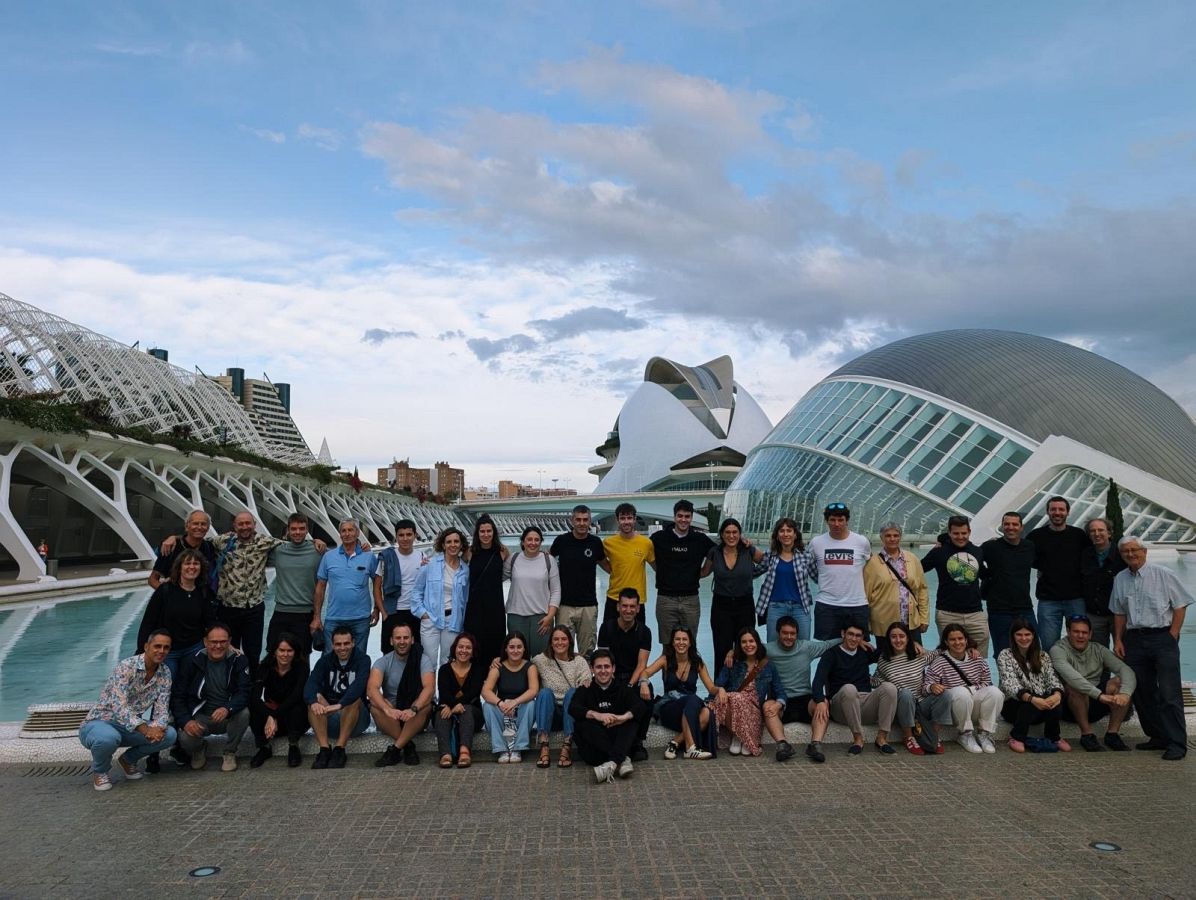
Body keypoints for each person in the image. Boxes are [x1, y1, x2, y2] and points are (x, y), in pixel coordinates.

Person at [1111, 536, 1192, 761]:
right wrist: (1118, 639)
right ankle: (1157, 736)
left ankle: (1177, 743)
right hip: (1134, 639)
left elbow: (1180, 604)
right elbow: (1119, 612)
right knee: (1142, 691)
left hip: (1161, 637)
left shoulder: (1163, 574)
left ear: (1144, 551)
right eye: (1126, 551)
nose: (1130, 554)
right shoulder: (1120, 578)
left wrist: (1173, 634)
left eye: (1134, 550)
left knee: (1169, 692)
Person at [78, 630, 176, 791]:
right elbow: (119, 706)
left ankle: (128, 760)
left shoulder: (165, 672)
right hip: (100, 723)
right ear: (146, 646)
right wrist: (145, 729)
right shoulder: (126, 666)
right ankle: (100, 772)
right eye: (157, 646)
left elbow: (162, 709)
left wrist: (158, 728)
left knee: (169, 735)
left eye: (166, 647)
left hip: (128, 727)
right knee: (108, 738)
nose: (162, 651)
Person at [171, 623, 252, 772]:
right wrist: (187, 721)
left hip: (227, 716)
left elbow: (245, 692)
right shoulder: (191, 661)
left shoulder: (239, 660)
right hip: (201, 717)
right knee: (184, 735)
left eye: (223, 642)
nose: (218, 646)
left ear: (229, 641)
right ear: (205, 642)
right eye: (214, 642)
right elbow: (178, 697)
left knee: (244, 713)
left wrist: (228, 708)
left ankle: (230, 752)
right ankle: (199, 749)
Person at [1050, 614, 1136, 752]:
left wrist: (1125, 694)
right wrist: (1100, 695)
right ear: (1068, 632)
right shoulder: (1058, 650)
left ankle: (1112, 734)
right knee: (1075, 686)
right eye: (1076, 632)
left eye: (1084, 632)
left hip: (1096, 703)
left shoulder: (1098, 649)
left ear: (1090, 634)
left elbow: (1125, 670)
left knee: (1120, 682)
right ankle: (1087, 735)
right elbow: (1073, 678)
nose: (1080, 636)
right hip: (1070, 706)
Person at [810, 622, 898, 757]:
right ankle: (858, 739)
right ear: (843, 634)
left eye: (858, 636)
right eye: (850, 634)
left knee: (890, 688)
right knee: (849, 689)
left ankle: (881, 739)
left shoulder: (864, 652)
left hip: (865, 705)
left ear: (862, 638)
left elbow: (890, 646)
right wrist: (821, 701)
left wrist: (913, 642)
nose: (854, 639)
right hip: (842, 707)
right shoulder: (831, 655)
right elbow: (817, 681)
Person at [919, 624, 1004, 754]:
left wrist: (970, 689)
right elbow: (925, 687)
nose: (957, 642)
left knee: (995, 692)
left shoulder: (977, 658)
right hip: (955, 708)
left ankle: (984, 734)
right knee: (961, 692)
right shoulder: (940, 661)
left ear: (966, 640)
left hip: (972, 704)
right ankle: (965, 734)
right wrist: (932, 687)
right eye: (952, 639)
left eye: (960, 638)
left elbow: (987, 682)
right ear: (946, 642)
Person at [569, 649, 646, 783]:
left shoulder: (622, 688)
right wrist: (596, 715)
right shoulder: (585, 689)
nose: (603, 671)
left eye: (607, 666)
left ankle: (611, 764)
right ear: (592, 668)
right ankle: (621, 760)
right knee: (582, 724)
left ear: (613, 668)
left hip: (617, 738)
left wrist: (622, 717)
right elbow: (573, 708)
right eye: (598, 667)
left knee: (631, 720)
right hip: (596, 750)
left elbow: (640, 706)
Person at [138, 549, 217, 677]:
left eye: (196, 563)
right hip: (168, 651)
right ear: (179, 567)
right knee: (168, 685)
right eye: (187, 563)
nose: (191, 567)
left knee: (189, 686)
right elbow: (149, 621)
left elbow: (210, 621)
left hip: (194, 648)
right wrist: (142, 650)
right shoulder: (165, 590)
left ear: (201, 567)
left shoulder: (204, 592)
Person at [595, 589, 654, 761]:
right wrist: (611, 682)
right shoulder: (607, 628)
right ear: (618, 607)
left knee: (646, 694)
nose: (628, 610)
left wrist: (629, 686)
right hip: (610, 675)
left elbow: (641, 664)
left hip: (632, 676)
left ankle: (638, 742)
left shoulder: (644, 631)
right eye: (625, 606)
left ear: (638, 609)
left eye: (632, 607)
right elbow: (603, 660)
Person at [710, 627, 787, 758]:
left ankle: (744, 737)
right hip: (733, 706)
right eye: (744, 642)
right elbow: (718, 684)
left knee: (736, 697)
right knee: (731, 698)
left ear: (757, 642)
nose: (748, 645)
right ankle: (738, 735)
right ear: (739, 645)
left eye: (751, 641)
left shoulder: (768, 665)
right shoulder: (733, 662)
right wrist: (713, 698)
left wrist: (778, 704)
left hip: (754, 709)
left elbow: (780, 691)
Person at [641, 627, 716, 760]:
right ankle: (690, 748)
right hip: (669, 708)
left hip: (688, 710)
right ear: (672, 642)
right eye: (677, 639)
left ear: (690, 642)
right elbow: (646, 672)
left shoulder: (697, 663)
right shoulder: (665, 659)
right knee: (692, 699)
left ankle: (675, 742)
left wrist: (720, 690)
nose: (681, 642)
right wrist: (644, 683)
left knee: (706, 713)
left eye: (684, 639)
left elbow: (711, 688)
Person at [1027, 496, 1091, 651]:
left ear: (1068, 512)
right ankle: (1053, 676)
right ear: (1048, 512)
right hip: (1048, 600)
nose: (1057, 512)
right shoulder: (1035, 536)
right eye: (1053, 509)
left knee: (1079, 645)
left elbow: (1091, 559)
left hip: (1076, 599)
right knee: (1049, 647)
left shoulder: (1079, 536)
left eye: (1061, 509)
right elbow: (1023, 557)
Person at [367, 621, 435, 767]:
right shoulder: (382, 662)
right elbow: (372, 689)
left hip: (414, 712)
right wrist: (387, 709)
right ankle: (408, 745)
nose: (402, 642)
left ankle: (396, 749)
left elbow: (429, 688)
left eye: (406, 638)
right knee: (374, 705)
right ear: (391, 641)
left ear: (412, 640)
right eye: (398, 638)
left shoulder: (423, 659)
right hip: (392, 714)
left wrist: (413, 709)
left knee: (427, 705)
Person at [767, 616, 838, 753]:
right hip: (781, 702)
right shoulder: (768, 650)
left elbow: (829, 644)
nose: (789, 636)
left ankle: (815, 745)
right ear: (778, 633)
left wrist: (855, 640)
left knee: (823, 703)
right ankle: (782, 745)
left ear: (797, 634)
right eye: (785, 633)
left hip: (805, 699)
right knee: (767, 707)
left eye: (792, 633)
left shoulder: (806, 647)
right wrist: (731, 652)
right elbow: (748, 649)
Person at [996, 617, 1069, 752]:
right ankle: (1016, 736)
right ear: (1013, 636)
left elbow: (1052, 678)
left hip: (1039, 705)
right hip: (1014, 705)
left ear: (1033, 636)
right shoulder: (1005, 655)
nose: (1023, 638)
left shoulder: (1043, 656)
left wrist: (1057, 695)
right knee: (1029, 705)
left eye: (1027, 634)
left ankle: (1054, 737)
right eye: (1019, 634)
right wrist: (1032, 699)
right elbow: (1010, 684)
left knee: (1056, 703)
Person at [921, 515, 990, 656]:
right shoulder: (939, 552)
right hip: (947, 613)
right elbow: (918, 569)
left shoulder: (977, 551)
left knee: (979, 656)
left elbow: (985, 575)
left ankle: (976, 678)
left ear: (969, 532)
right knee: (950, 658)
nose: (960, 537)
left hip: (975, 613)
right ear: (949, 533)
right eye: (956, 533)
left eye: (964, 533)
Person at [305, 625, 371, 769]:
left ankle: (340, 749)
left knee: (354, 699)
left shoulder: (363, 660)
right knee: (314, 699)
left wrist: (340, 705)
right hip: (330, 717)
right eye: (338, 644)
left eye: (346, 643)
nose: (342, 648)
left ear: (353, 643)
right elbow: (311, 683)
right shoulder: (324, 661)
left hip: (356, 719)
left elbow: (359, 686)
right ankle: (324, 749)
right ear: (333, 645)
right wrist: (314, 702)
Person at [650, 499, 715, 642]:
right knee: (667, 644)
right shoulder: (659, 538)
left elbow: (717, 553)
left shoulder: (699, 539)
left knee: (690, 643)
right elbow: (645, 554)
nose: (683, 520)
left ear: (691, 518)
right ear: (674, 517)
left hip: (690, 599)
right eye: (680, 516)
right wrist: (661, 570)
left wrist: (704, 571)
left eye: (687, 516)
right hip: (665, 599)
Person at [702, 517, 760, 677]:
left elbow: (767, 561)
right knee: (721, 649)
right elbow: (703, 572)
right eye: (727, 532)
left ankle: (745, 689)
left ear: (740, 534)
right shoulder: (714, 552)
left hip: (745, 605)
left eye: (735, 532)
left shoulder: (749, 551)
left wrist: (752, 575)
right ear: (721, 534)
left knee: (746, 647)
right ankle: (720, 691)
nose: (731, 536)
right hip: (721, 606)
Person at [549, 505, 609, 656]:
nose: (582, 523)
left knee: (587, 651)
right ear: (572, 521)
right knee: (562, 650)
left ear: (590, 522)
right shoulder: (561, 541)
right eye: (578, 520)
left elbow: (608, 567)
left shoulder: (595, 543)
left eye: (585, 520)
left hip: (588, 606)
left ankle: (585, 679)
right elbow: (546, 563)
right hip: (564, 606)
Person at [312, 520, 378, 654]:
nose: (347, 534)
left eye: (350, 530)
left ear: (357, 533)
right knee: (329, 659)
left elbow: (378, 584)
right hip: (334, 618)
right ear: (340, 534)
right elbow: (320, 588)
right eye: (344, 531)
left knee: (359, 659)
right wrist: (317, 617)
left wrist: (377, 608)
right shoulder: (328, 557)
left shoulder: (369, 557)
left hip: (361, 618)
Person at [807, 502, 872, 639]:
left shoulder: (861, 541)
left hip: (857, 605)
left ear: (847, 521)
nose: (836, 524)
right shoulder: (816, 542)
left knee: (859, 650)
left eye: (840, 520)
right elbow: (806, 566)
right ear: (827, 521)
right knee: (828, 650)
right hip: (827, 605)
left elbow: (871, 566)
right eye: (832, 520)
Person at [411, 527, 470, 672]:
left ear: (461, 544)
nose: (453, 545)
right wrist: (422, 614)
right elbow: (416, 592)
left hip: (453, 621)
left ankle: (445, 694)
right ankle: (430, 695)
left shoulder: (465, 570)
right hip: (431, 619)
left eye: (456, 541)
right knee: (429, 661)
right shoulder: (430, 565)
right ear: (443, 545)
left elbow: (467, 598)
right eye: (449, 542)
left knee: (448, 661)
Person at [266, 513, 323, 662]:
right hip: (281, 612)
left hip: (305, 614)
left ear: (307, 530)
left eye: (301, 529)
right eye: (294, 529)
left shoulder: (318, 551)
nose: (297, 532)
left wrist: (364, 547)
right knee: (273, 655)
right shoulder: (278, 551)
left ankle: (302, 686)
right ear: (288, 530)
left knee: (302, 657)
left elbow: (340, 557)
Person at [532, 625, 592, 768]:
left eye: (564, 639)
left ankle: (567, 743)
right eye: (556, 639)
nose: (560, 642)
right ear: (551, 642)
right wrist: (497, 661)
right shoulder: (540, 660)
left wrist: (585, 683)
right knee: (544, 693)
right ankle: (544, 743)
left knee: (573, 692)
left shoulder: (579, 661)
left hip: (571, 713)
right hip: (550, 713)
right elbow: (519, 662)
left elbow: (586, 686)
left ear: (570, 642)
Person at [979, 512, 1038, 656]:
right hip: (999, 609)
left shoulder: (1029, 546)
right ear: (1002, 526)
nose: (1010, 527)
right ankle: (1004, 679)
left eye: (1014, 524)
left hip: (1024, 607)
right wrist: (987, 575)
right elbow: (971, 558)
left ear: (1021, 527)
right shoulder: (990, 546)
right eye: (1007, 524)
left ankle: (1031, 679)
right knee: (1003, 652)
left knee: (1033, 650)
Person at [863, 522, 928, 650]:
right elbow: (866, 595)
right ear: (881, 538)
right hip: (884, 623)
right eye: (888, 536)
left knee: (915, 656)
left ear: (900, 537)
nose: (892, 539)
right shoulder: (873, 563)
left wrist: (924, 618)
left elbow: (922, 590)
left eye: (895, 535)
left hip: (910, 621)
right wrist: (867, 624)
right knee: (887, 659)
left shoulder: (912, 559)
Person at [248, 633, 309, 768]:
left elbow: (297, 696)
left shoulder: (302, 667)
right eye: (281, 650)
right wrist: (269, 716)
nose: (285, 654)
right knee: (252, 706)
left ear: (295, 652)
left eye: (289, 651)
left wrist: (274, 715)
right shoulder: (264, 667)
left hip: (294, 719)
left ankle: (293, 746)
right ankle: (264, 747)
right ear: (274, 651)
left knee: (298, 706)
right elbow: (255, 696)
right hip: (272, 722)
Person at [874, 623, 933, 755]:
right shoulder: (884, 659)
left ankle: (933, 736)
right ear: (889, 639)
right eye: (893, 637)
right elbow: (877, 682)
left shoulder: (919, 655)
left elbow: (942, 654)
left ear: (908, 638)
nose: (898, 640)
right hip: (901, 707)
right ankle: (908, 736)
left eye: (902, 636)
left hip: (920, 704)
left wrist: (971, 648)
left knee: (945, 695)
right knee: (905, 693)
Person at [481, 631, 540, 763]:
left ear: (524, 648)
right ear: (506, 648)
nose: (515, 650)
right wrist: (501, 704)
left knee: (532, 704)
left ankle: (518, 748)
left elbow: (533, 690)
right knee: (487, 706)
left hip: (521, 711)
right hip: (503, 711)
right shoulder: (498, 666)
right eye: (512, 647)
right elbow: (486, 691)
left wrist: (515, 702)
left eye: (519, 647)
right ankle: (501, 749)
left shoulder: (529, 667)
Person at [754, 517, 816, 642]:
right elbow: (754, 573)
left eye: (789, 530)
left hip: (800, 607)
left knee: (804, 645)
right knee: (773, 646)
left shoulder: (806, 556)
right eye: (782, 531)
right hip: (776, 607)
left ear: (795, 534)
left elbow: (818, 577)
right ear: (777, 535)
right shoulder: (770, 555)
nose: (785, 534)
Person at [373, 518, 428, 656]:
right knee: (389, 652)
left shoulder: (422, 556)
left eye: (409, 535)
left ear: (415, 536)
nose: (405, 539)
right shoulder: (387, 557)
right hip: (392, 612)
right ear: (396, 537)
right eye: (401, 535)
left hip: (415, 612)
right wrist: (383, 613)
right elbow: (376, 587)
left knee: (415, 652)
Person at [504, 525, 560, 659]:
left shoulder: (549, 560)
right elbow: (495, 579)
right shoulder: (513, 559)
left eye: (536, 540)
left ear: (541, 542)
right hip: (516, 616)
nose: (533, 543)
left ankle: (540, 681)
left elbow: (556, 590)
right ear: (523, 542)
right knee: (517, 658)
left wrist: (550, 616)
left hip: (541, 618)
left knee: (542, 659)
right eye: (529, 539)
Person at [435, 632, 487, 768]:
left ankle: (464, 752)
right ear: (455, 648)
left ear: (473, 651)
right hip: (448, 709)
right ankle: (445, 754)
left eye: (468, 648)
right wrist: (452, 707)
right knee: (442, 712)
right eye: (460, 647)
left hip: (472, 713)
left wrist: (456, 706)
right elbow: (444, 693)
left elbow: (473, 694)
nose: (463, 651)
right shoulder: (444, 670)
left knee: (467, 710)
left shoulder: (478, 669)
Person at [463, 514, 509, 667]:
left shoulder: (502, 552)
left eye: (489, 531)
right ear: (477, 533)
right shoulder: (469, 552)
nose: (486, 534)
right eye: (482, 531)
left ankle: (492, 688)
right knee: (475, 649)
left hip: (495, 608)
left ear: (494, 532)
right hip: (474, 608)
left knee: (495, 651)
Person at [601, 502, 655, 627]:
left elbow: (657, 566)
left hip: (637, 601)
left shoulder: (646, 543)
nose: (626, 522)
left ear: (635, 519)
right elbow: (600, 559)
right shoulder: (608, 543)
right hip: (614, 598)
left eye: (629, 518)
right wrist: (612, 570)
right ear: (617, 520)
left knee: (638, 641)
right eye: (623, 518)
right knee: (608, 642)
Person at [1080, 517, 1126, 647]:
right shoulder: (1085, 555)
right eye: (1092, 531)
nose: (1097, 534)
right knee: (1098, 655)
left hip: (1119, 615)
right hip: (1095, 615)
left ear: (1109, 533)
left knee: (1124, 651)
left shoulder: (1122, 554)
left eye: (1101, 530)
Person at [148, 509, 217, 589]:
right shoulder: (171, 547)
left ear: (208, 528)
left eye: (203, 524)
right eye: (195, 523)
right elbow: (152, 580)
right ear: (187, 526)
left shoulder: (209, 547)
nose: (199, 527)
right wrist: (168, 594)